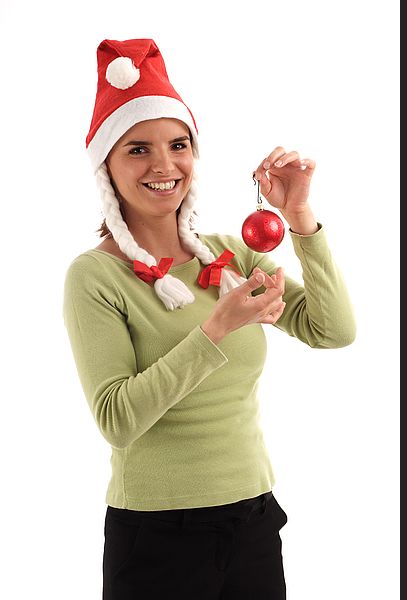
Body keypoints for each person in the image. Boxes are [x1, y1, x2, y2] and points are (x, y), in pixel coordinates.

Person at [63, 38, 356, 600]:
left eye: (178, 144)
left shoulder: (228, 258)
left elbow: (333, 330)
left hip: (252, 518)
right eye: (137, 149)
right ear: (107, 168)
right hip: (155, 533)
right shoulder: (94, 277)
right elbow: (117, 419)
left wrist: (299, 219)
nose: (164, 165)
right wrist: (216, 328)